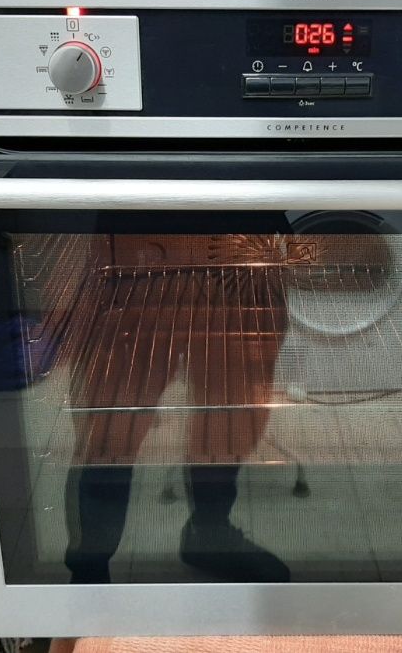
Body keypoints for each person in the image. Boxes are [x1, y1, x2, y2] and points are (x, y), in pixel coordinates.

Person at [63, 232, 292, 583]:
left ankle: (210, 533)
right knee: (112, 429)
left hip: (240, 254)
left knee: (229, 418)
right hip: (136, 255)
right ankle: (89, 573)